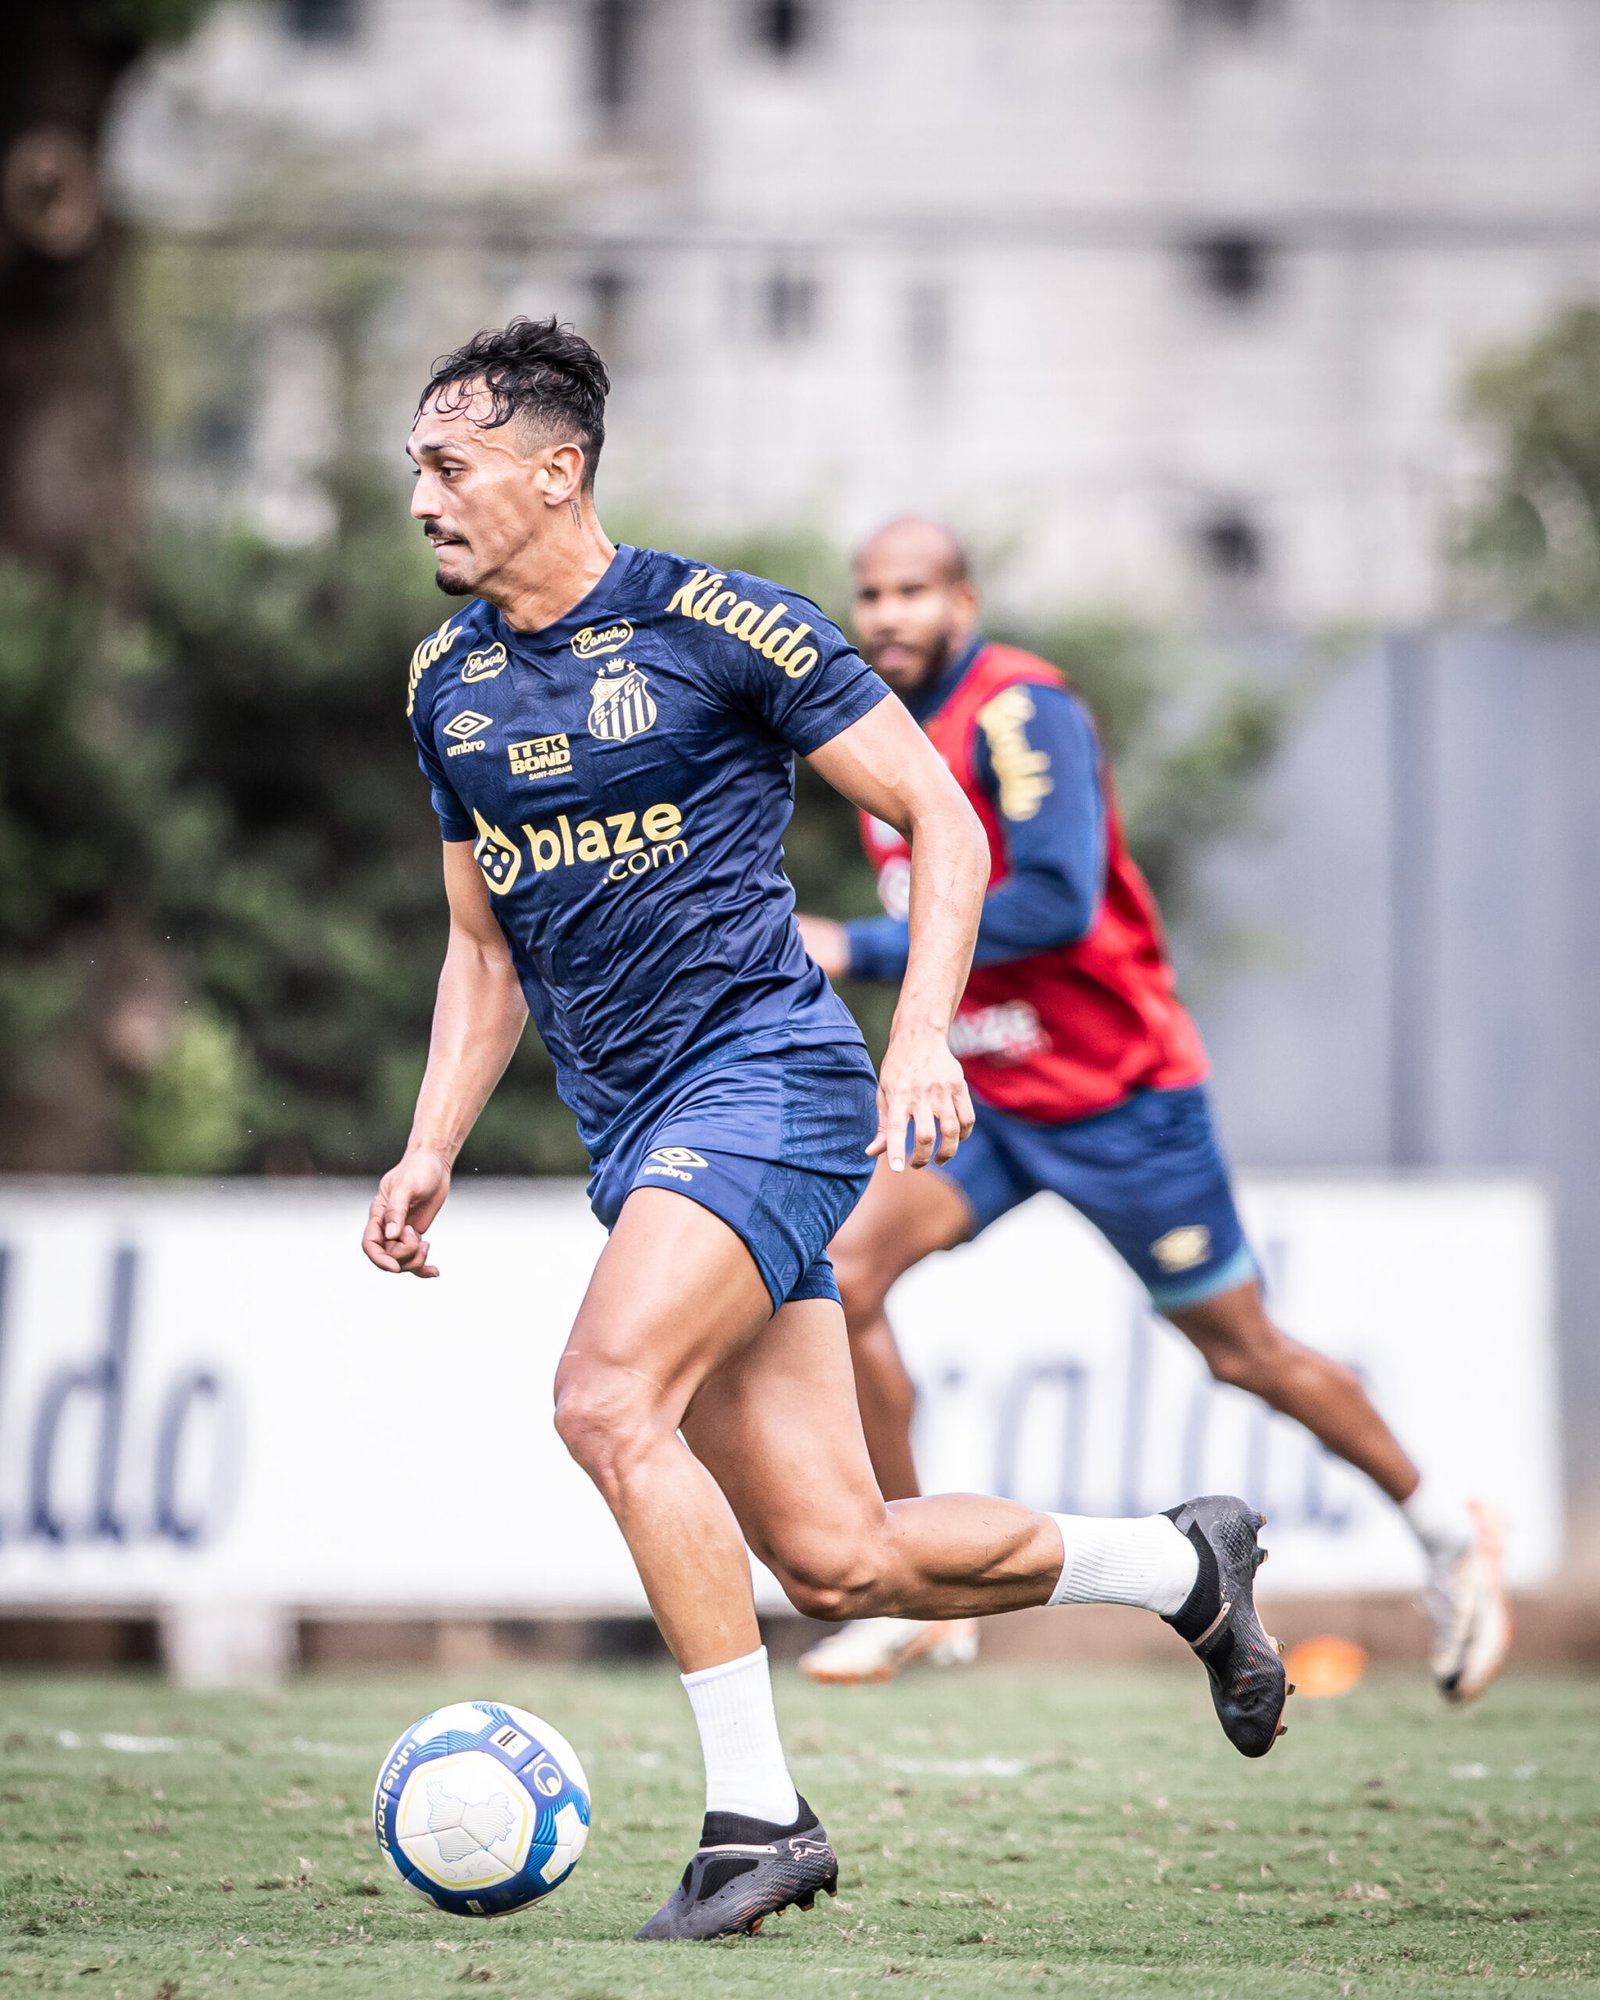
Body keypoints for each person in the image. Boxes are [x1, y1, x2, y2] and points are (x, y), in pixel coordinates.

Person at [363, 319, 1290, 1946]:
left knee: (602, 1398)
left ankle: (755, 1824)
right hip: (639, 1131)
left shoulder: (716, 623)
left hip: (770, 1087)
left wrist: (919, 1029)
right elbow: (481, 946)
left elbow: (942, 813)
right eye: (419, 464)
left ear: (553, 470)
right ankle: (1182, 1569)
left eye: (450, 464)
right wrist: (432, 1139)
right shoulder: (449, 685)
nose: (422, 494)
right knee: (844, 1559)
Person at [794, 517, 1510, 1704]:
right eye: (870, 592)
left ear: (962, 599)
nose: (886, 615)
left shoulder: (1022, 710)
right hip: (990, 1096)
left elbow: (1062, 902)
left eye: (913, 590)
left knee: (1243, 1352)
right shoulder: (887, 735)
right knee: (839, 1272)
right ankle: (916, 1587)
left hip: (1119, 1097)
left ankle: (1446, 1532)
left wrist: (852, 944)